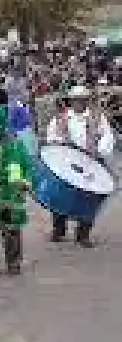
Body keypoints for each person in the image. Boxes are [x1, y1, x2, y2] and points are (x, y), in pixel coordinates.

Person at [44, 84, 116, 246]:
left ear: (87, 101)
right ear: (71, 101)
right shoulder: (61, 118)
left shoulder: (98, 118)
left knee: (89, 199)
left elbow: (108, 136)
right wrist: (60, 145)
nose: (79, 103)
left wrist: (99, 150)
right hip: (66, 164)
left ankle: (83, 234)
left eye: (82, 100)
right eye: (76, 100)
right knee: (60, 196)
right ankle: (59, 230)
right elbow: (51, 136)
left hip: (91, 164)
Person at [0, 105, 32, 274]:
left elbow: (21, 168)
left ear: (1, 125)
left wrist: (21, 185)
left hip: (10, 194)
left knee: (11, 230)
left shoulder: (14, 145)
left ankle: (13, 262)